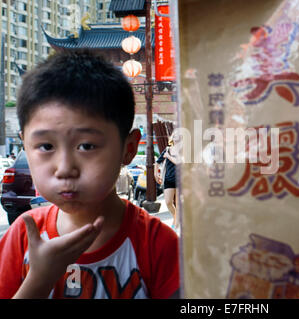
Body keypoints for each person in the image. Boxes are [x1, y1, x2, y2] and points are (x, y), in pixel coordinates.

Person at [0, 50, 180, 298]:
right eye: (46, 146)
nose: (64, 169)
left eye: (86, 146)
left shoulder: (158, 245)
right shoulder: (21, 238)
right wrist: (38, 281)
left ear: (127, 149)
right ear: (25, 145)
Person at [155, 133, 180, 230]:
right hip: (169, 180)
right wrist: (156, 174)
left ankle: (175, 225)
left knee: (178, 204)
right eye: (174, 137)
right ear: (172, 139)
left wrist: (168, 156)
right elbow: (157, 162)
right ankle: (177, 218)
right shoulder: (167, 149)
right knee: (168, 202)